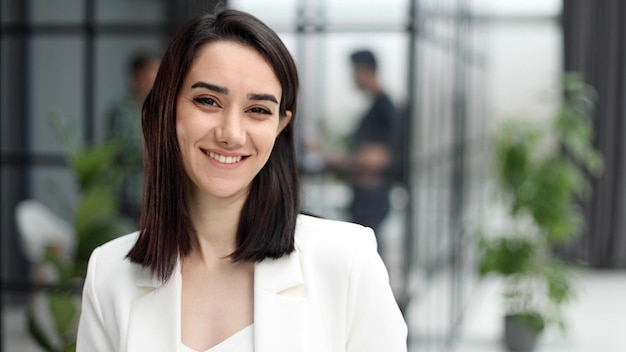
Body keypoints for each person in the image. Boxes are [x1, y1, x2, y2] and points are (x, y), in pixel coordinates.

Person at [76, 9, 407, 352]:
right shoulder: (109, 274)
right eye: (208, 101)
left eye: (258, 110)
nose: (231, 134)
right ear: (168, 109)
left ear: (280, 126)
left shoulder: (346, 261)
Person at [327, 49, 401, 249]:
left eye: (354, 71)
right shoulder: (376, 106)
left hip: (372, 200)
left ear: (365, 70)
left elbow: (376, 158)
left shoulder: (383, 108)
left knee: (367, 259)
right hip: (366, 198)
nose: (352, 78)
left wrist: (337, 161)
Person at [105, 52, 160, 221]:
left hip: (152, 196)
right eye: (153, 72)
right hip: (131, 195)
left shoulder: (154, 109)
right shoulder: (123, 110)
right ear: (137, 76)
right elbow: (132, 149)